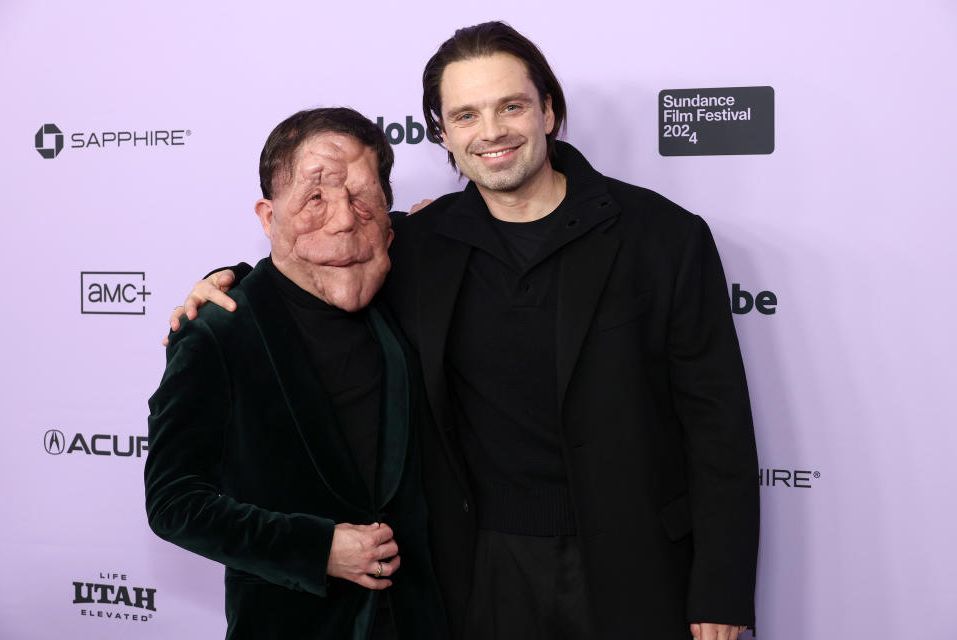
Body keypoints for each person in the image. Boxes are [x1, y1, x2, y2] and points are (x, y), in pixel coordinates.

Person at [173, 22, 759, 640]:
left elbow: (718, 428)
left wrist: (719, 590)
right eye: (466, 115)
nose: (492, 132)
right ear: (444, 135)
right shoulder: (419, 247)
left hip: (637, 566)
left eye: (511, 106)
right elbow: (321, 253)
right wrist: (230, 281)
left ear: (549, 111)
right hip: (474, 576)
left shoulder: (663, 237)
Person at [146, 107, 447, 640]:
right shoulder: (217, 331)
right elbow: (174, 502)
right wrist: (316, 549)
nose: (343, 220)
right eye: (314, 198)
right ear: (267, 217)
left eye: (361, 198)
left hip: (423, 619)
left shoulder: (405, 278)